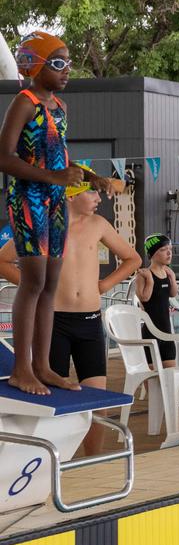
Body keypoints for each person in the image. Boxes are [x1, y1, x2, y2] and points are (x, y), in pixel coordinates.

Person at [0, 33, 117, 395]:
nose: (67, 69)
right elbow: (4, 158)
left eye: (68, 62)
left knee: (50, 285)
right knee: (33, 283)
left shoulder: (60, 108)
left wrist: (91, 176)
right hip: (28, 201)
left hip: (54, 202)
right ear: (35, 65)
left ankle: (43, 366)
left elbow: (59, 158)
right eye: (58, 63)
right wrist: (54, 177)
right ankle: (22, 369)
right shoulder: (25, 102)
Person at [53, 174, 140, 453]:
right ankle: (55, 462)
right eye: (92, 194)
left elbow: (133, 258)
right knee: (54, 400)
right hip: (54, 321)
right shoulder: (48, 225)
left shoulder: (98, 224)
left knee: (97, 400)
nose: (99, 200)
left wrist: (103, 285)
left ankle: (94, 460)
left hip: (89, 321)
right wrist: (35, 285)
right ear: (71, 195)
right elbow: (4, 260)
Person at [135, 234, 179, 368]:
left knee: (171, 375)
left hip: (166, 333)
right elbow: (144, 298)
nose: (169, 252)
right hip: (150, 333)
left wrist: (173, 278)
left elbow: (173, 294)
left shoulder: (167, 272)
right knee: (153, 380)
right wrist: (150, 281)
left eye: (170, 249)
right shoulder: (143, 274)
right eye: (163, 249)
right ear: (152, 253)